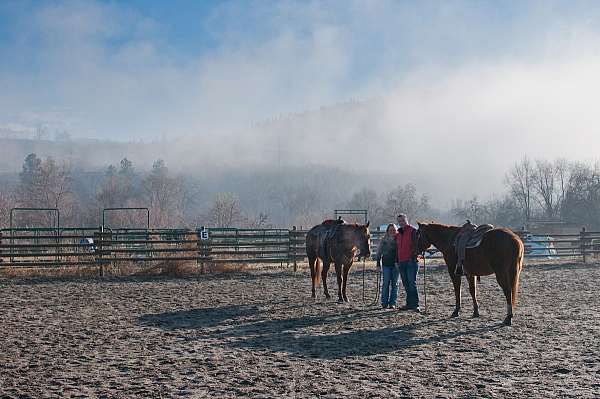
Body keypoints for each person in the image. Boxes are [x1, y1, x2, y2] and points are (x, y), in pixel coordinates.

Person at [396, 213, 420, 312]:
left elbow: (417, 246)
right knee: (406, 283)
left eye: (402, 221)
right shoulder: (398, 233)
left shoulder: (413, 231)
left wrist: (413, 257)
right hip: (402, 261)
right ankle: (409, 304)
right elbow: (397, 248)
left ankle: (415, 304)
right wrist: (397, 261)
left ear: (406, 220)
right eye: (399, 221)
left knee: (412, 283)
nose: (401, 223)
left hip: (411, 261)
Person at [376, 223, 399, 309]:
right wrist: (378, 264)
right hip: (386, 265)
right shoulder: (383, 240)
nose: (392, 232)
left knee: (395, 284)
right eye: (390, 230)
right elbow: (379, 253)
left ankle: (392, 303)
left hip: (396, 265)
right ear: (387, 231)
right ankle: (384, 302)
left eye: (394, 230)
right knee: (385, 284)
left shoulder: (398, 240)